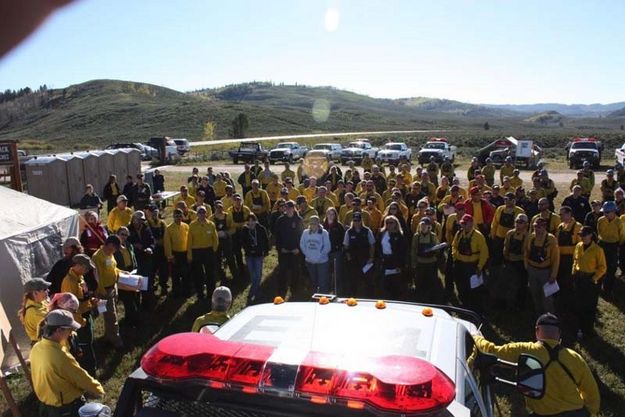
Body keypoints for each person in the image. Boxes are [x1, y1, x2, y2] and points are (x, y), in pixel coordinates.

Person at [471, 313, 600, 417]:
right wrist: (589, 412)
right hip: (577, 412)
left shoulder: (525, 349)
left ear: (537, 331)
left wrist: (476, 336)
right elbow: (591, 392)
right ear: (559, 334)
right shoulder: (575, 357)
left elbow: (492, 351)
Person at [30, 310, 105, 417]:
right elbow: (80, 377)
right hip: (66, 408)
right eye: (70, 330)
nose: (71, 333)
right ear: (59, 330)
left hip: (46, 406)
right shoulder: (61, 355)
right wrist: (98, 389)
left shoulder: (36, 347)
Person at [61, 254, 98, 376]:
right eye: (86, 268)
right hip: (79, 320)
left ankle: (92, 368)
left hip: (86, 314)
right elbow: (70, 306)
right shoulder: (68, 281)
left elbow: (82, 296)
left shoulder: (80, 277)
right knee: (84, 346)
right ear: (78, 266)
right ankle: (88, 372)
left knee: (89, 342)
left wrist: (91, 300)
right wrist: (79, 323)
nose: (87, 271)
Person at [573, 226, 607, 339]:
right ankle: (579, 326)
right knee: (578, 303)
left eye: (584, 235)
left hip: (590, 280)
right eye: (581, 235)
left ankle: (588, 329)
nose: (582, 237)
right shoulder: (578, 246)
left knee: (590, 305)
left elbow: (603, 267)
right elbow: (575, 260)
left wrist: (593, 278)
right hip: (579, 278)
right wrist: (573, 272)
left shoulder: (598, 250)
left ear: (591, 235)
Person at [451, 214, 488, 313]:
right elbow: (453, 246)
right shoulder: (459, 234)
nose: (462, 225)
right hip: (459, 265)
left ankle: (475, 308)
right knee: (460, 285)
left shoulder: (478, 236)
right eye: (462, 223)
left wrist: (480, 267)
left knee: (473, 289)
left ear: (471, 223)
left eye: (465, 223)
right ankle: (464, 304)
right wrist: (455, 257)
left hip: (472, 266)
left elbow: (484, 253)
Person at [92, 235, 124, 348]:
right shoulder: (97, 257)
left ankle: (108, 336)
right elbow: (97, 277)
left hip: (112, 287)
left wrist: (122, 272)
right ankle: (116, 340)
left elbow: (113, 268)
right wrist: (102, 293)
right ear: (110, 245)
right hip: (104, 291)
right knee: (111, 316)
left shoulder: (110, 254)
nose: (116, 250)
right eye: (115, 247)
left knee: (109, 314)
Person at [525, 218, 559, 316]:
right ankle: (538, 314)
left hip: (545, 272)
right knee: (534, 293)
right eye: (535, 227)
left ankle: (549, 316)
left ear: (544, 227)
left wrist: (553, 275)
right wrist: (527, 266)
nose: (536, 229)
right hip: (532, 270)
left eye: (539, 227)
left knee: (547, 296)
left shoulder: (551, 239)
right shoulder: (531, 237)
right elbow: (526, 253)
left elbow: (556, 259)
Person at [187, 206, 219, 301]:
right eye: (200, 212)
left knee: (210, 274)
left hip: (208, 251)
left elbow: (215, 239)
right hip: (196, 252)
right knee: (198, 274)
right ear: (197, 214)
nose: (202, 214)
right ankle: (200, 294)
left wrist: (213, 250)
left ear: (206, 213)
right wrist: (190, 255)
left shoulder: (211, 224)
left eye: (203, 212)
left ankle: (211, 294)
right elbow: (189, 241)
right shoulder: (192, 225)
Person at [274, 200, 304, 297]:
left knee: (296, 271)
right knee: (283, 271)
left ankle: (294, 289)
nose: (289, 209)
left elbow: (301, 236)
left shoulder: (298, 220)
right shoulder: (280, 220)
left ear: (294, 208)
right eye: (286, 207)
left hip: (295, 251)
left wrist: (298, 249)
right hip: (284, 251)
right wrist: (280, 248)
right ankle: (282, 289)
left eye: (291, 207)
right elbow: (277, 236)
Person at [343, 212, 376, 297]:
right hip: (353, 260)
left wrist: (371, 257)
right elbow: (346, 246)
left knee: (368, 281)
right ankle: (353, 297)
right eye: (355, 220)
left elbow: (372, 245)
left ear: (361, 221)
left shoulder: (367, 231)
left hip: (365, 260)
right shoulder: (349, 232)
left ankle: (368, 297)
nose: (356, 222)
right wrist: (349, 258)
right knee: (354, 281)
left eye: (358, 220)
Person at [596, 201, 625, 298]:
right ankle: (598, 286)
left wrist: (617, 245)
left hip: (613, 246)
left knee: (611, 268)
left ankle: (608, 289)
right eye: (604, 212)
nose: (605, 214)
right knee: (600, 266)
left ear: (613, 212)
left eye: (607, 212)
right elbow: (598, 231)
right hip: (602, 244)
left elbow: (622, 236)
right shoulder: (600, 220)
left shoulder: (619, 222)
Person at [114, 227, 141, 328]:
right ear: (117, 234)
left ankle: (135, 318)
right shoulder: (114, 249)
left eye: (126, 235)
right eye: (122, 234)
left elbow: (133, 258)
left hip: (132, 272)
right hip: (122, 275)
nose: (124, 237)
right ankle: (130, 321)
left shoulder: (129, 245)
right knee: (128, 300)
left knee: (136, 297)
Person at [411, 217, 442, 303]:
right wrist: (413, 263)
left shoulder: (433, 236)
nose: (423, 227)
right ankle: (419, 297)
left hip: (431, 263)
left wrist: (434, 250)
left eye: (425, 225)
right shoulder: (416, 236)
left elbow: (438, 248)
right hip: (420, 262)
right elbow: (413, 250)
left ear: (429, 226)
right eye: (422, 225)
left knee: (431, 281)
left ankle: (432, 298)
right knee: (419, 281)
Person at [240, 214, 269, 303]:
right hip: (249, 255)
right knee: (253, 275)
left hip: (258, 255)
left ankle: (252, 293)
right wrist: (248, 249)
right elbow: (242, 242)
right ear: (247, 222)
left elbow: (266, 240)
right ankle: (256, 293)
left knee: (258, 275)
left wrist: (265, 251)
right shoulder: (244, 230)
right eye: (249, 221)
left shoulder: (261, 229)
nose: (251, 222)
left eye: (253, 220)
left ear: (256, 221)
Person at [300, 215, 332, 294]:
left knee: (322, 282)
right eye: (311, 224)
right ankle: (315, 298)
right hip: (309, 262)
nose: (312, 225)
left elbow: (327, 247)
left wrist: (318, 257)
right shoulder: (305, 232)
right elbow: (302, 244)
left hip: (322, 262)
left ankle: (324, 298)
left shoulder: (324, 233)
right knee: (313, 281)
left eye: (314, 223)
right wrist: (308, 255)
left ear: (318, 223)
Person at [164, 209, 190, 297]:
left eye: (180, 216)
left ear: (182, 216)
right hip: (175, 254)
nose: (178, 218)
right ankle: (176, 292)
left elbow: (189, 241)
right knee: (175, 274)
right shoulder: (169, 228)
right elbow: (167, 243)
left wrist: (189, 254)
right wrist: (170, 257)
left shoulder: (186, 226)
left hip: (185, 253)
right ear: (173, 217)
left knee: (185, 273)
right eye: (176, 216)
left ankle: (186, 291)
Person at [211, 200, 239, 282]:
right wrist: (216, 234)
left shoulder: (228, 216)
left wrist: (226, 233)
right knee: (217, 259)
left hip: (226, 240)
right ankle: (222, 277)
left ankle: (235, 276)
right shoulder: (211, 218)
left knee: (230, 258)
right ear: (214, 207)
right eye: (217, 207)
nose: (219, 209)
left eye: (220, 207)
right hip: (216, 242)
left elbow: (233, 229)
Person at [18, 278, 50, 345]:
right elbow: (53, 328)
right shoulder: (34, 313)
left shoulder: (40, 301)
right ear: (35, 293)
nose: (48, 290)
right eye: (44, 289)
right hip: (44, 345)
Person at [146, 205, 168, 296]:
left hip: (162, 250)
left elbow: (166, 237)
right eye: (152, 212)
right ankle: (152, 286)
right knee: (152, 270)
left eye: (156, 211)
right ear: (149, 213)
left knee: (163, 269)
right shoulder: (147, 224)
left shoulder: (162, 223)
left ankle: (163, 286)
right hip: (152, 251)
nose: (154, 213)